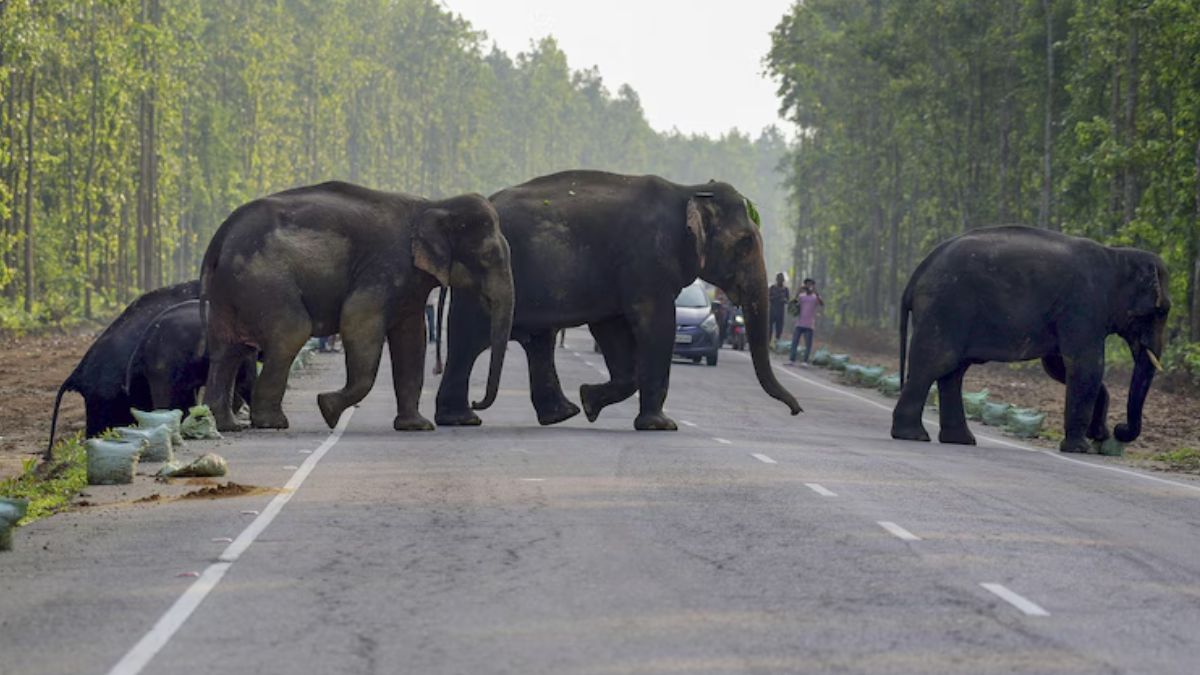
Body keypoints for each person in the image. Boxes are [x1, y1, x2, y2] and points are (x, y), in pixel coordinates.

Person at [786, 277, 823, 366]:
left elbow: (821, 303)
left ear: (813, 286)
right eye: (807, 284)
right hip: (799, 323)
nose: (809, 286)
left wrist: (816, 292)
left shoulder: (815, 298)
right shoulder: (802, 297)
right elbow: (793, 303)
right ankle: (792, 360)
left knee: (808, 345)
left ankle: (805, 361)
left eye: (811, 284)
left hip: (809, 324)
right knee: (794, 342)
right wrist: (798, 291)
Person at [768, 272, 790, 342]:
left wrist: (784, 300)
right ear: (776, 280)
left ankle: (776, 342)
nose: (780, 281)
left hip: (780, 311)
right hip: (772, 310)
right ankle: (768, 341)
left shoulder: (785, 289)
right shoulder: (772, 288)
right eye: (779, 279)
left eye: (781, 279)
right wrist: (774, 297)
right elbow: (768, 297)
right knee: (769, 328)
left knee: (779, 329)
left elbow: (787, 300)